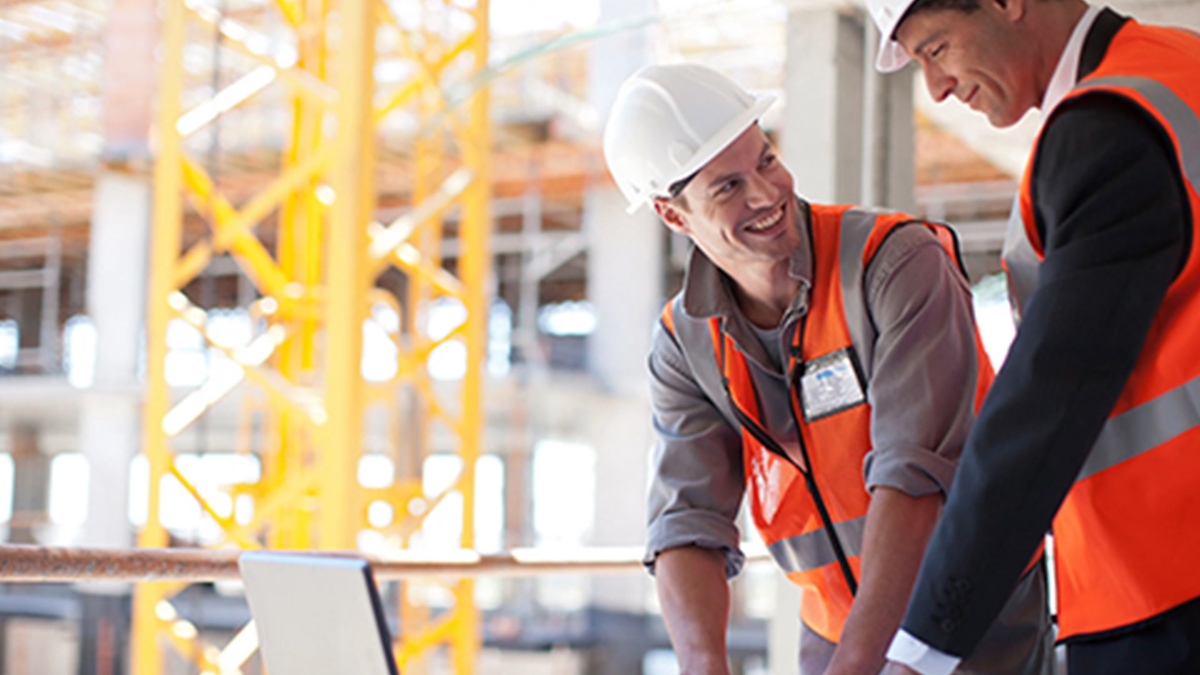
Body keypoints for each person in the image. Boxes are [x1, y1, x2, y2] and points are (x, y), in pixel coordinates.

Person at [602, 63, 1053, 675]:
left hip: (970, 618)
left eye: (765, 160)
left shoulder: (892, 264)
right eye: (728, 187)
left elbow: (913, 474)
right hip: (835, 633)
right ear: (673, 215)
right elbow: (687, 522)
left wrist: (860, 663)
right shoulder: (686, 342)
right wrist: (704, 666)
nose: (765, 194)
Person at [864, 0, 1200, 673]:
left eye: (936, 49)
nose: (937, 88)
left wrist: (925, 646)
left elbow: (1050, 393)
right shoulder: (1178, 65)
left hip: (1165, 592)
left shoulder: (1106, 128)